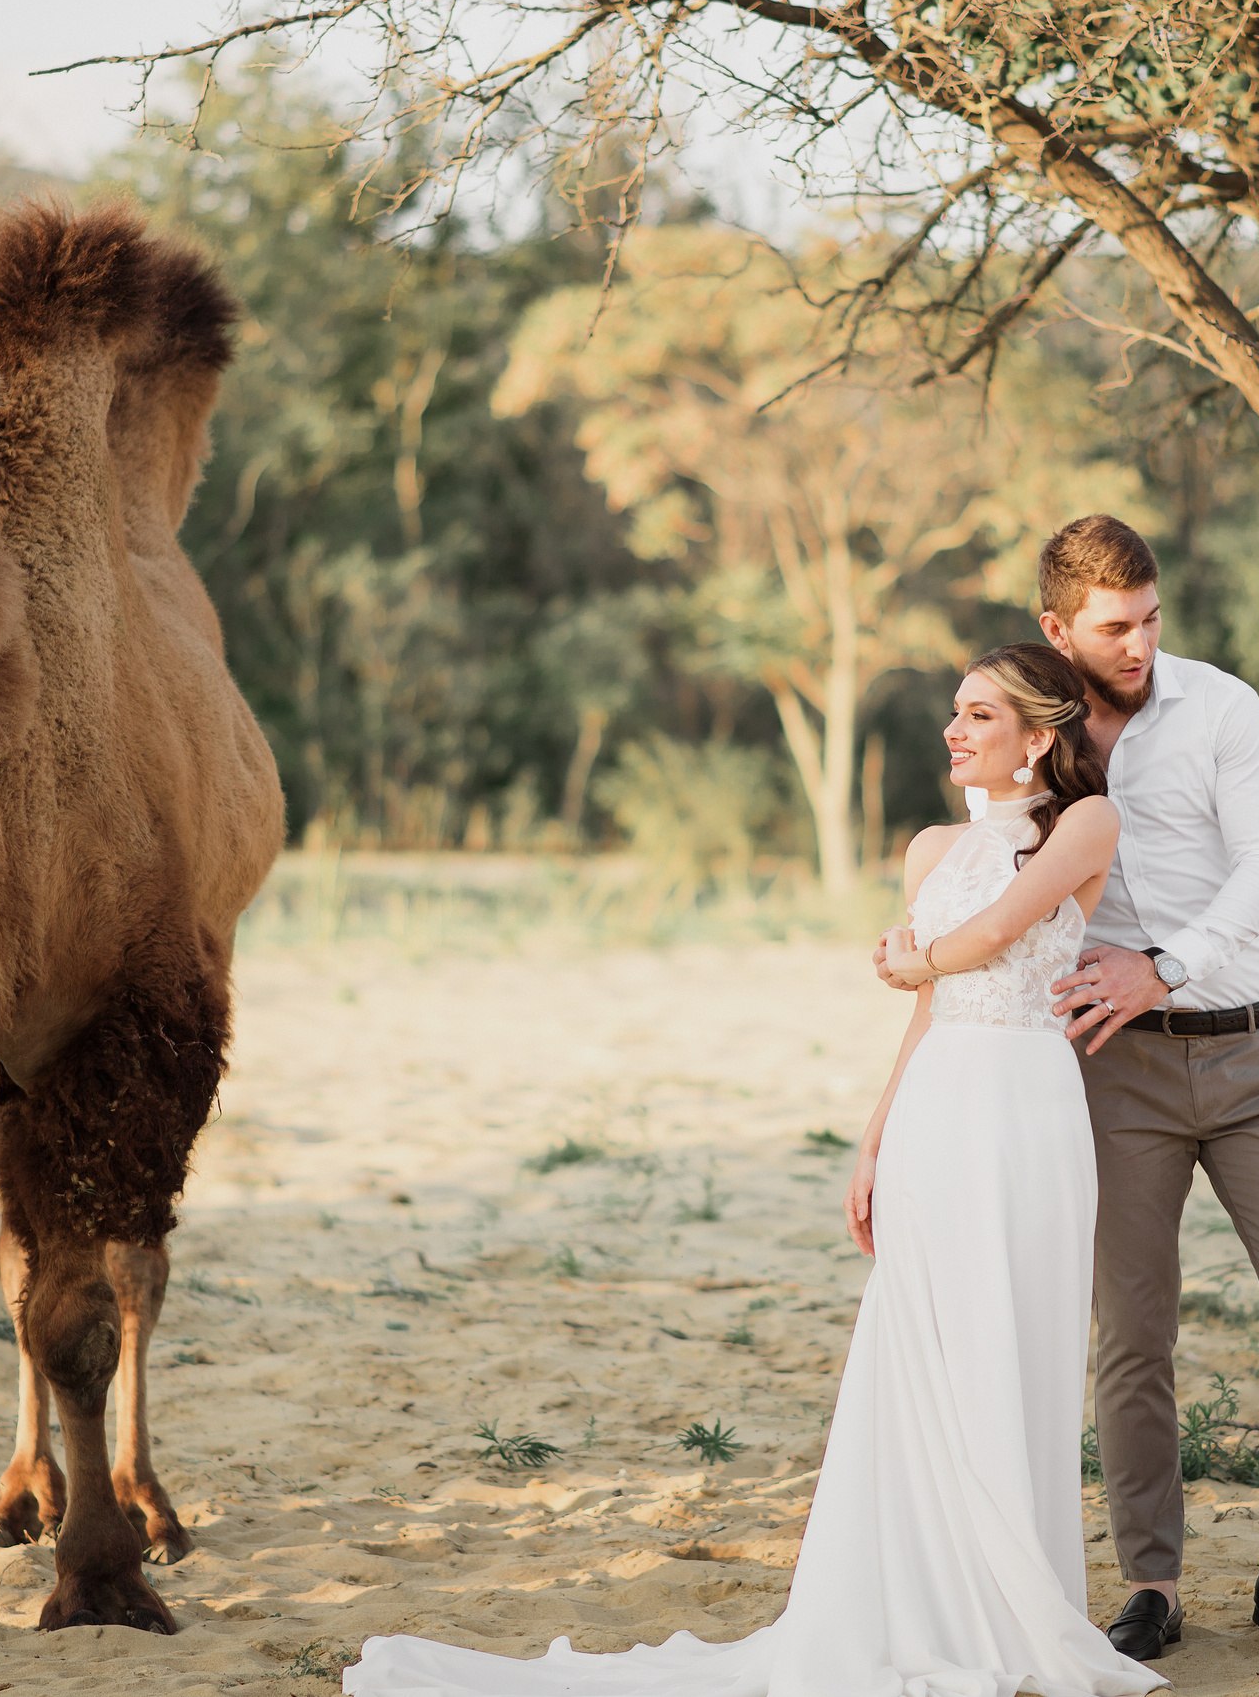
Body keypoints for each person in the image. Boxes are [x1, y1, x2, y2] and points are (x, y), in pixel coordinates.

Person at [342, 644, 1163, 1697]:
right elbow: (924, 1010)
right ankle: (923, 1599)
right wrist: (874, 1137)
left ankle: (1016, 1608)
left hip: (1029, 1113)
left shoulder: (1087, 824)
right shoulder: (929, 847)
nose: (953, 731)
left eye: (978, 714)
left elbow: (996, 931)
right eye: (952, 713)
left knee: (1020, 1344)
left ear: (1039, 735)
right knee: (924, 1347)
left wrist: (916, 954)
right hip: (939, 1109)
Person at [883, 515, 1259, 1664]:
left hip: (1255, 1050)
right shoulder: (1034, 745)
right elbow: (990, 882)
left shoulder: (1222, 707)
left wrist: (1166, 964)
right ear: (1058, 627)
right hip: (1111, 1068)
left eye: (1150, 618)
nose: (1141, 642)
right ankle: (1150, 1579)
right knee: (1131, 1331)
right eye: (1113, 626)